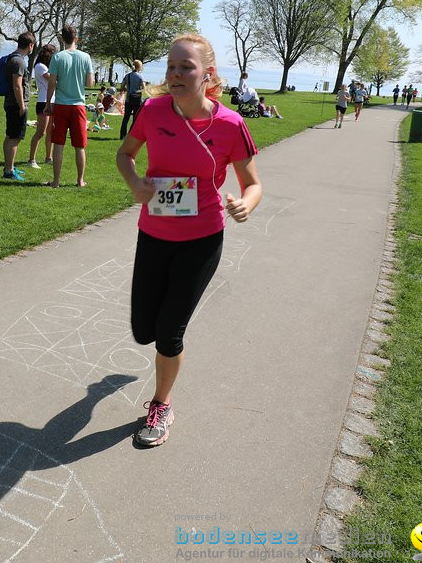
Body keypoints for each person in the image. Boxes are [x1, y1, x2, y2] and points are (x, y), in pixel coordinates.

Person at [115, 32, 262, 447]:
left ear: (207, 74)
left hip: (201, 239)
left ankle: (161, 404)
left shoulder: (231, 124)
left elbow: (253, 184)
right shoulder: (154, 111)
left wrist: (247, 204)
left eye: (187, 67)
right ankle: (153, 370)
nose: (177, 74)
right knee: (143, 330)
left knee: (168, 332)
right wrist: (135, 183)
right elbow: (124, 155)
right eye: (171, 67)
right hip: (154, 234)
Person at [45, 24, 93, 188]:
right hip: (78, 105)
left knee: (58, 144)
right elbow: (89, 83)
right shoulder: (85, 57)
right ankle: (80, 180)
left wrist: (47, 103)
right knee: (79, 145)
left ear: (62, 39)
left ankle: (56, 181)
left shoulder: (57, 57)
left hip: (60, 105)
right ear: (76, 38)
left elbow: (51, 84)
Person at [2, 33, 35, 181]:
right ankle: (9, 171)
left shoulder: (14, 58)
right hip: (16, 105)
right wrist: (22, 106)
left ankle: (9, 166)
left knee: (10, 136)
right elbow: (17, 85)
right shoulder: (18, 61)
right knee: (14, 138)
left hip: (11, 103)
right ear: (30, 45)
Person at [27, 43, 56, 169]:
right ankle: (31, 159)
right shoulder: (40, 66)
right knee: (40, 133)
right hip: (43, 102)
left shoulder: (46, 67)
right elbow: (52, 80)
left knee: (51, 132)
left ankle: (49, 157)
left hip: (52, 101)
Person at [119, 60, 145, 139]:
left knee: (126, 118)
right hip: (137, 100)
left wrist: (128, 89)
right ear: (139, 67)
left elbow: (122, 87)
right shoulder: (140, 76)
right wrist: (137, 91)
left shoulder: (127, 76)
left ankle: (122, 135)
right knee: (135, 118)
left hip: (128, 99)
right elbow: (144, 88)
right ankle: (132, 135)